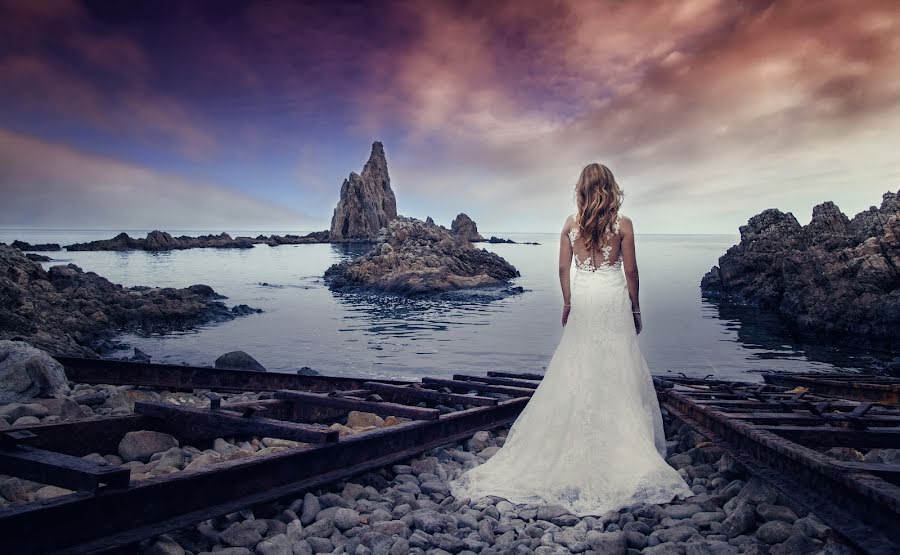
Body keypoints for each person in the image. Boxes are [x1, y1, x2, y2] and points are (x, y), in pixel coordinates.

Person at [448, 163, 693, 516]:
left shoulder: (569, 225)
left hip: (584, 299)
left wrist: (567, 301)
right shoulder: (624, 225)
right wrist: (636, 309)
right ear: (610, 188)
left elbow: (563, 269)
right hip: (610, 298)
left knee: (578, 362)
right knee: (617, 363)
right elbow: (632, 271)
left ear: (581, 189)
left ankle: (571, 436)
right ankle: (621, 441)